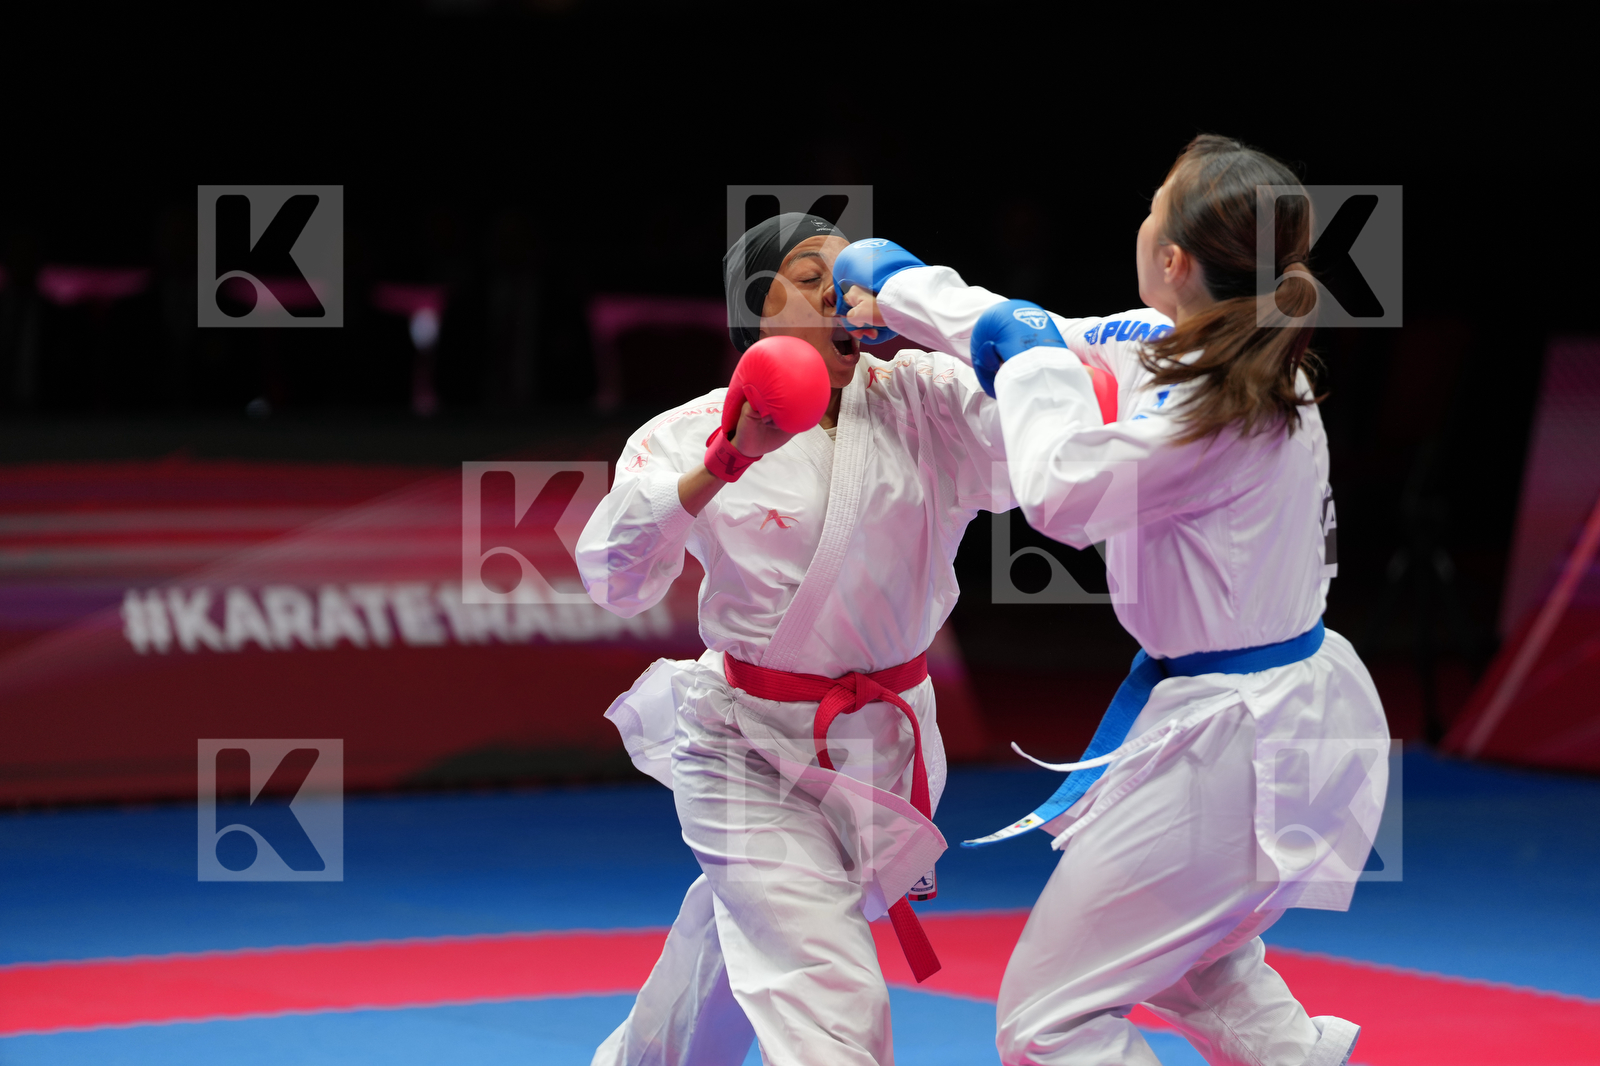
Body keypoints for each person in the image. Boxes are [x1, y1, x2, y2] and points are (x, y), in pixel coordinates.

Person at [843, 136, 1388, 1066]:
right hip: (1262, 712)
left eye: (1151, 209)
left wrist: (1029, 368)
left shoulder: (1221, 409)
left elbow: (1058, 489)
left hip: (1243, 737)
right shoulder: (1204, 350)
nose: (1138, 224)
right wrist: (897, 284)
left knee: (1048, 1022)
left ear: (1172, 260)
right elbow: (1034, 329)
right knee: (1193, 960)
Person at [577, 212, 1013, 1066]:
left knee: (726, 957)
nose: (840, 295)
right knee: (826, 994)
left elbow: (1046, 428)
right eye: (812, 278)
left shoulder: (927, 397)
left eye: (849, 279)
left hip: (882, 744)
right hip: (741, 743)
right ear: (756, 308)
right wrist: (723, 462)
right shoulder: (687, 431)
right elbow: (613, 578)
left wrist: (936, 313)